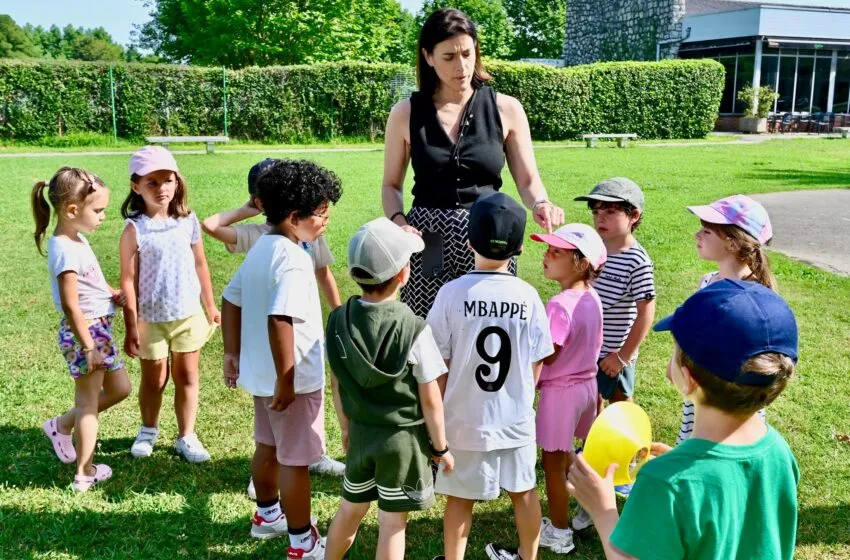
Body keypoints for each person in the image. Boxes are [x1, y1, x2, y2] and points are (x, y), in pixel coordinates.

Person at [567, 280, 799, 560]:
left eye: (674, 354)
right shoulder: (778, 450)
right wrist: (684, 460)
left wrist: (603, 510)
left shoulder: (666, 482)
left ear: (688, 380)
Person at [381, 7, 564, 318]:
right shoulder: (406, 113)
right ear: (428, 57)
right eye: (449, 57)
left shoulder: (507, 109)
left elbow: (528, 181)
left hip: (490, 233)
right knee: (428, 332)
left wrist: (541, 204)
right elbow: (391, 185)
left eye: (467, 53)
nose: (461, 66)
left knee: (488, 329)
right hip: (427, 239)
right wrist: (400, 225)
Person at [221, 159, 342, 557]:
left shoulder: (262, 248)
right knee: (296, 461)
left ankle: (267, 515)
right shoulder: (293, 258)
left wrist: (232, 353)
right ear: (295, 217)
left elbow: (230, 299)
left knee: (267, 446)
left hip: (260, 375)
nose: (325, 222)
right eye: (321, 214)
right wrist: (287, 380)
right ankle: (302, 542)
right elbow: (280, 317)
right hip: (293, 383)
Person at [428, 193, 554, 560]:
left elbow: (438, 364)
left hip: (464, 419)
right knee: (524, 492)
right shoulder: (529, 296)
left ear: (467, 241)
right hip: (514, 418)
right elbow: (538, 358)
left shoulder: (451, 293)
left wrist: (440, 416)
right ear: (518, 248)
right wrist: (521, 396)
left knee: (460, 498)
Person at [324, 217, 454, 560]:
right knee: (393, 524)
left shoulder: (338, 320)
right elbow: (431, 398)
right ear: (403, 274)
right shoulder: (414, 328)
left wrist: (347, 428)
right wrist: (440, 447)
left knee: (349, 511)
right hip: (403, 444)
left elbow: (336, 381)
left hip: (362, 434)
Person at [32, 167, 132, 491]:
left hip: (98, 328)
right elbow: (72, 304)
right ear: (73, 210)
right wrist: (89, 346)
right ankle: (84, 472)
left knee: (120, 388)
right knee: (89, 405)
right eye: (98, 210)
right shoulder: (64, 250)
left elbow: (92, 285)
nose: (103, 216)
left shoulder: (78, 239)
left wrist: (111, 294)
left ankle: (60, 425)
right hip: (86, 333)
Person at [119, 146, 220, 463]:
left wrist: (210, 305)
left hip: (188, 316)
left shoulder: (187, 220)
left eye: (168, 180)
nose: (162, 188)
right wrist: (131, 323)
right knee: (155, 379)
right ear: (137, 186)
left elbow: (200, 264)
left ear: (177, 181)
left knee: (188, 377)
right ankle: (148, 430)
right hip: (151, 320)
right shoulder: (135, 228)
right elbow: (127, 280)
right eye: (152, 182)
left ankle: (186, 435)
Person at [574, 178, 656, 500]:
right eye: (596, 211)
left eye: (610, 211)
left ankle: (626, 466)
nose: (600, 218)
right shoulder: (595, 251)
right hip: (589, 348)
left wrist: (622, 356)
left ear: (633, 215)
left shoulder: (638, 261)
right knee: (591, 404)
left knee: (621, 410)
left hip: (615, 355)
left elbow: (645, 313)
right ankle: (594, 453)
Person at [528, 224, 606, 555]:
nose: (546, 255)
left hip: (560, 393)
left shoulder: (559, 305)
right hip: (587, 386)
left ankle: (559, 532)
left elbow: (548, 352)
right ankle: (589, 504)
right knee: (569, 456)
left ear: (580, 262)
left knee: (553, 465)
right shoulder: (592, 297)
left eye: (555, 252)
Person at [676, 194, 776, 445]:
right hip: (700, 387)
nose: (697, 235)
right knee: (694, 444)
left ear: (732, 243)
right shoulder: (707, 281)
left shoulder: (756, 295)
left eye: (707, 231)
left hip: (731, 398)